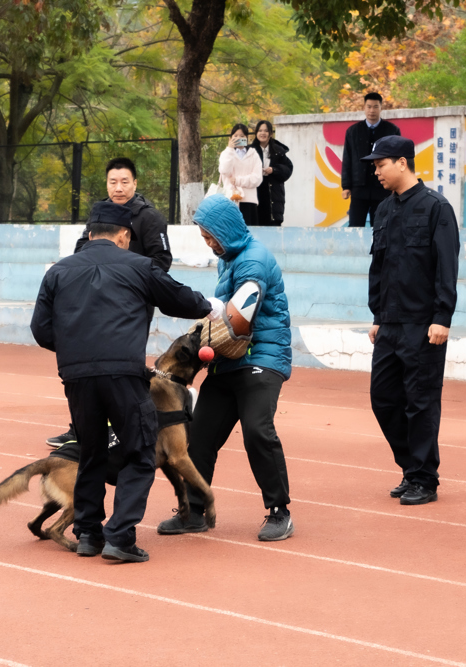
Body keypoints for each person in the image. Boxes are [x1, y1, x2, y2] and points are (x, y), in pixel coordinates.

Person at [30, 200, 223, 562]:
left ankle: (89, 535)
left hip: (77, 375)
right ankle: (119, 537)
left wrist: (77, 349)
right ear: (123, 236)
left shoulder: (58, 271)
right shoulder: (138, 265)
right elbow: (177, 299)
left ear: (89, 234)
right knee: (139, 451)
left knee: (91, 452)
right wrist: (208, 306)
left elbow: (41, 330)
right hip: (123, 374)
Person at [156, 194, 295, 542]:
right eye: (204, 237)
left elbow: (238, 320)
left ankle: (280, 511)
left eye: (210, 236)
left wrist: (200, 334)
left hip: (262, 356)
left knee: (257, 430)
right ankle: (194, 511)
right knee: (199, 435)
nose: (208, 242)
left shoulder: (253, 261)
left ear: (226, 230)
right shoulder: (228, 259)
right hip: (229, 362)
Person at [47, 156, 173, 449]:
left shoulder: (150, 217)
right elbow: (81, 251)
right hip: (94, 302)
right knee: (89, 366)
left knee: (126, 367)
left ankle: (126, 427)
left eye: (124, 181)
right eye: (112, 182)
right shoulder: (99, 214)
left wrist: (128, 275)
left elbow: (161, 261)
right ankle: (80, 428)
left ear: (135, 183)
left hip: (132, 306)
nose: (118, 188)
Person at [365, 136, 459, 506]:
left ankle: (424, 478)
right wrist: (377, 315)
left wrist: (442, 317)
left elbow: (446, 266)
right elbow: (379, 267)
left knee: (421, 402)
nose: (376, 172)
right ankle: (411, 467)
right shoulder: (383, 210)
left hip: (424, 324)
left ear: (402, 163)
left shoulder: (436, 207)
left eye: (380, 165)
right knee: (383, 398)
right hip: (389, 323)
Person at [341, 92, 400, 227]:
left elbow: (397, 160)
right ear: (364, 107)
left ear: (381, 108)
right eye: (369, 107)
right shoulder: (353, 131)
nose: (372, 110)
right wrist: (346, 186)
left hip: (383, 188)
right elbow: (347, 159)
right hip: (358, 189)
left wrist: (396, 185)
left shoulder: (392, 131)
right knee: (355, 226)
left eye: (375, 107)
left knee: (382, 226)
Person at [218, 124, 264, 228]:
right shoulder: (226, 153)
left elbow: (257, 178)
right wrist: (230, 149)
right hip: (230, 200)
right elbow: (224, 171)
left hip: (249, 201)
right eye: (235, 136)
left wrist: (238, 180)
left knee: (249, 231)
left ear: (247, 138)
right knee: (230, 231)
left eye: (242, 136)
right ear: (230, 138)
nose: (238, 138)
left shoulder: (253, 154)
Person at [250, 120, 294, 226]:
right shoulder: (250, 150)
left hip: (273, 194)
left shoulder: (278, 151)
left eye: (266, 131)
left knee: (273, 227)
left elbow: (288, 169)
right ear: (256, 133)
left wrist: (274, 170)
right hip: (255, 192)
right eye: (260, 130)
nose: (263, 133)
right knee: (255, 226)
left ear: (270, 133)